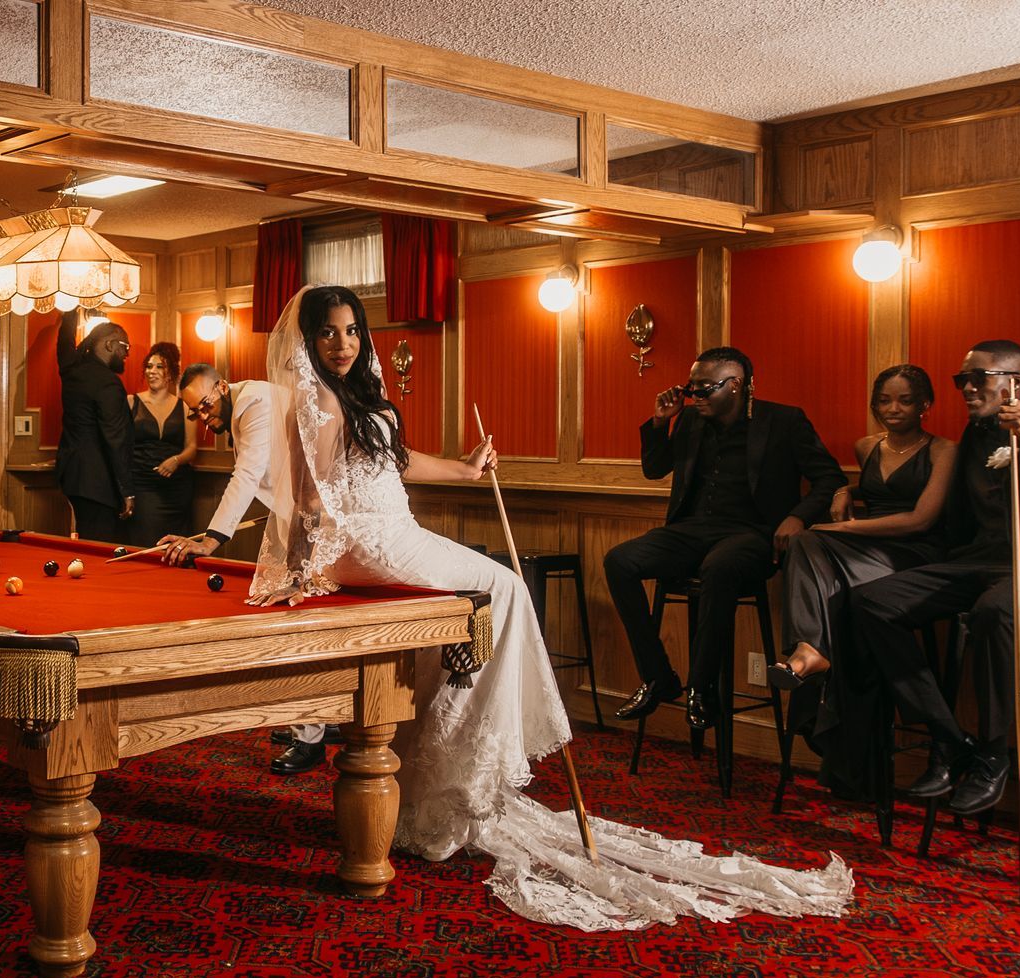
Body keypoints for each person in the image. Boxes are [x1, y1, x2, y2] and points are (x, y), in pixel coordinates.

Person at [246, 285, 851, 930]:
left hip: (385, 534)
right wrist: (315, 546)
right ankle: (474, 764)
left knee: (483, 605)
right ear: (307, 342)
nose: (342, 345)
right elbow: (304, 488)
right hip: (370, 541)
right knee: (503, 588)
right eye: (328, 334)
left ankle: (447, 761)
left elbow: (395, 464)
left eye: (350, 331)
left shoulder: (359, 394)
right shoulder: (313, 402)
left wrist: (468, 468)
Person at [850, 341, 1020, 815]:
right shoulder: (973, 437)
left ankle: (994, 755)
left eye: (978, 378)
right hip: (978, 562)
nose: (967, 388)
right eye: (961, 380)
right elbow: (956, 519)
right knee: (871, 601)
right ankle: (948, 737)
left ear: (1016, 382)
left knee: (997, 609)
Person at [603, 347, 845, 732]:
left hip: (753, 534)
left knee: (720, 566)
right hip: (691, 531)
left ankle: (702, 687)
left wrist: (797, 517)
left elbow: (830, 478)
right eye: (691, 388)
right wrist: (658, 423)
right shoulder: (688, 421)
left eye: (704, 389)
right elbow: (654, 469)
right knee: (619, 560)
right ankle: (658, 677)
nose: (694, 396)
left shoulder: (783, 421)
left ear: (735, 385)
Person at [769, 365, 956, 795]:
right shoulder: (866, 445)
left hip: (917, 556)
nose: (893, 409)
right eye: (884, 401)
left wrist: (841, 528)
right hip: (867, 553)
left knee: (820, 553)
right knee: (804, 547)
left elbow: (919, 519)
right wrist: (845, 491)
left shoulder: (945, 450)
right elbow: (871, 490)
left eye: (905, 400)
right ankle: (809, 649)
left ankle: (814, 663)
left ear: (925, 405)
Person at [160, 364, 316, 769]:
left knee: (300, 618)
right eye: (195, 414)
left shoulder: (253, 401)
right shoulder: (241, 405)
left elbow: (246, 474)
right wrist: (206, 535)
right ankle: (316, 722)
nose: (204, 418)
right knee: (298, 612)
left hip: (318, 519)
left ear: (223, 386)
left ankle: (310, 736)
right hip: (298, 516)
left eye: (206, 406)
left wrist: (211, 539)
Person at [54, 309, 135, 542]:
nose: (126, 354)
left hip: (73, 475)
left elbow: (65, 340)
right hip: (98, 483)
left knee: (88, 539)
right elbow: (115, 439)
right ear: (110, 345)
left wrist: (71, 310)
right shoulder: (108, 383)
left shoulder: (71, 367)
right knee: (100, 546)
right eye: (125, 347)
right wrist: (127, 490)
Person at [124, 342, 196, 547]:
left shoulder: (184, 406)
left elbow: (191, 447)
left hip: (177, 487)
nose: (152, 371)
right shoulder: (131, 402)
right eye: (149, 366)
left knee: (178, 545)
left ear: (170, 372)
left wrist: (176, 460)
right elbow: (121, 446)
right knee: (147, 541)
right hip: (143, 483)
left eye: (159, 367)